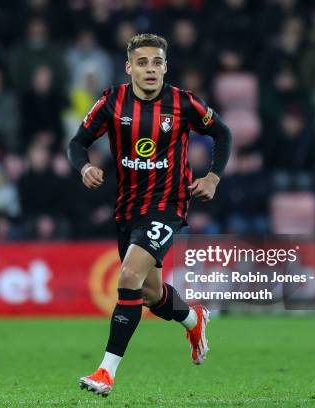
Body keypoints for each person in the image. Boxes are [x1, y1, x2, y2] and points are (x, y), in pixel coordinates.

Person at [67, 34, 232, 397]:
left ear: (165, 67)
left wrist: (214, 176)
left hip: (168, 203)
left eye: (157, 62)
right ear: (129, 68)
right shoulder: (112, 101)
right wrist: (83, 168)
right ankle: (194, 318)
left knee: (128, 276)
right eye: (142, 62)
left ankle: (106, 371)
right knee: (150, 293)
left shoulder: (182, 103)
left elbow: (222, 132)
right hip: (128, 207)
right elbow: (77, 142)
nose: (150, 69)